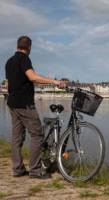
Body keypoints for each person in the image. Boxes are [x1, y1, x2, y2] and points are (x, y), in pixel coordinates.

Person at [5, 36, 66, 179]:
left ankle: (17, 169)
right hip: (24, 104)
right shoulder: (24, 59)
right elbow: (32, 77)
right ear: (29, 47)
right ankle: (35, 170)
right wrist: (54, 81)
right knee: (37, 134)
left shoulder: (9, 61)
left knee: (16, 138)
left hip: (12, 104)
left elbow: (11, 83)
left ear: (17, 45)